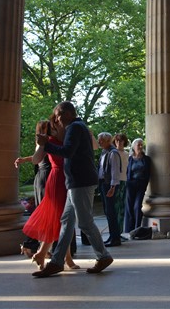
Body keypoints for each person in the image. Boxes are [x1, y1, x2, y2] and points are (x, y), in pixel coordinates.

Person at [33, 101, 113, 277]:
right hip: (76, 182)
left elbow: (67, 151)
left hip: (80, 181)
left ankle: (104, 255)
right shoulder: (79, 127)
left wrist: (46, 144)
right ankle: (57, 262)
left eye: (58, 116)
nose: (57, 120)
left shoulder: (74, 128)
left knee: (84, 222)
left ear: (67, 114)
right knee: (66, 221)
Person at [20, 116, 78, 270]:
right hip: (57, 180)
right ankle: (49, 254)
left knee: (62, 220)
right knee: (61, 220)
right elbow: (36, 159)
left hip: (62, 178)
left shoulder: (61, 139)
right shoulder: (50, 141)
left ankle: (59, 256)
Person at [15, 120, 51, 257]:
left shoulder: (41, 142)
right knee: (45, 212)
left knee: (43, 211)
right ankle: (35, 245)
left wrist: (24, 159)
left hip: (43, 177)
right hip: (46, 177)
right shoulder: (45, 141)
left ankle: (32, 245)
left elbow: (37, 157)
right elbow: (39, 158)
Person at [97, 132, 123, 247]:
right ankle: (112, 236)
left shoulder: (113, 153)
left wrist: (112, 187)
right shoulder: (104, 152)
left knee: (111, 212)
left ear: (107, 141)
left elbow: (115, 172)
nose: (99, 142)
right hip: (103, 183)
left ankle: (115, 238)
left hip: (109, 185)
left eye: (101, 140)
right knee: (107, 211)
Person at [125, 138, 151, 233]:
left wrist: (145, 183)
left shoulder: (146, 159)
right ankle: (128, 229)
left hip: (141, 184)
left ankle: (136, 229)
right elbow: (126, 171)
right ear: (133, 147)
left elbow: (148, 173)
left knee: (137, 206)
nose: (140, 147)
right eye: (138, 145)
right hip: (130, 184)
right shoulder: (129, 158)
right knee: (129, 206)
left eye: (141, 145)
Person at [113, 133, 129, 240]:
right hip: (115, 182)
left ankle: (119, 232)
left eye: (121, 141)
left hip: (124, 181)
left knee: (122, 208)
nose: (119, 143)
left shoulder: (127, 154)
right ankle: (115, 232)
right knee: (115, 207)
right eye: (117, 141)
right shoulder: (113, 153)